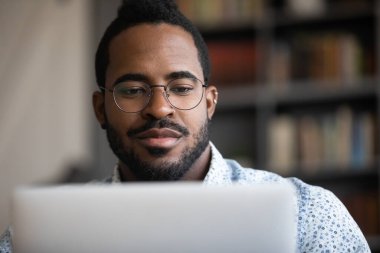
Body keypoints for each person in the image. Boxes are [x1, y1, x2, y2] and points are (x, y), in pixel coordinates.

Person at [0, 0, 371, 252]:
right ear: (100, 108)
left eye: (181, 87)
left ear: (209, 102)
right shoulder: (36, 237)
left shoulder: (310, 217)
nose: (160, 107)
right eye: (132, 89)